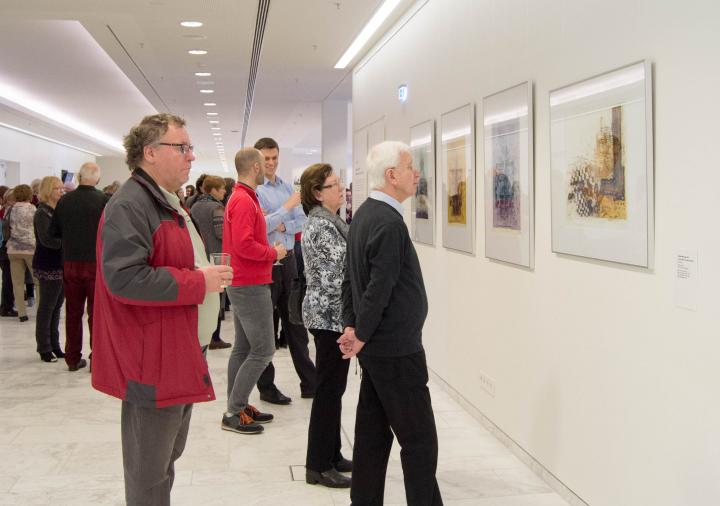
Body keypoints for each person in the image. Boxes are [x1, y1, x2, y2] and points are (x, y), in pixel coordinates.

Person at [92, 113, 231, 506]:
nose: (191, 156)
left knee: (165, 459)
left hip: (176, 349)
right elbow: (124, 278)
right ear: (150, 153)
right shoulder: (131, 205)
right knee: (148, 470)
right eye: (182, 147)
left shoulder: (165, 201)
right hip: (151, 357)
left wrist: (206, 276)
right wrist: (198, 282)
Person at [339, 141, 443, 506]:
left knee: (372, 436)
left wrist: (353, 328)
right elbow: (377, 288)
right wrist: (360, 333)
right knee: (420, 442)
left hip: (379, 349)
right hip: (396, 351)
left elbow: (352, 281)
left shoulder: (366, 215)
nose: (417, 174)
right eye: (411, 166)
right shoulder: (387, 223)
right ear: (391, 175)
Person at [221, 147, 285, 434]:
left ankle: (238, 405)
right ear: (256, 168)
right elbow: (244, 245)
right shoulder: (244, 201)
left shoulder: (244, 197)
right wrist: (273, 253)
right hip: (249, 283)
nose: (269, 167)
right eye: (264, 163)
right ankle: (234, 411)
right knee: (263, 349)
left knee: (244, 347)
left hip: (244, 281)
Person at [300, 164, 352, 488]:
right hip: (329, 318)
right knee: (328, 392)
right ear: (318, 193)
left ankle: (332, 454)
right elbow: (337, 274)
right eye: (334, 185)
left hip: (331, 316)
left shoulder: (331, 223)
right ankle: (317, 466)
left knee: (334, 390)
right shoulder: (321, 226)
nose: (342, 189)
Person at [255, 137, 316, 403]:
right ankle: (267, 388)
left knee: (296, 325)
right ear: (257, 160)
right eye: (266, 158)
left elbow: (300, 221)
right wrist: (285, 211)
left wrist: (280, 222)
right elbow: (260, 225)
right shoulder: (254, 191)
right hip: (266, 263)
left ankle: (310, 382)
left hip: (289, 260)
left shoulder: (286, 187)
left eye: (274, 158)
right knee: (267, 328)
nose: (270, 163)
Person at [51, 162, 107, 371]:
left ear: (80, 177)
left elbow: (54, 232)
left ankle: (72, 358)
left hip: (71, 262)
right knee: (96, 313)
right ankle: (97, 358)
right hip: (95, 262)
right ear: (98, 179)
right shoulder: (103, 200)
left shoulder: (65, 200)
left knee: (73, 312)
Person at [190, 174, 231, 350]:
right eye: (222, 188)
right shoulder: (217, 208)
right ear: (213, 190)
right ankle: (215, 337)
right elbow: (222, 233)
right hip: (217, 256)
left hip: (200, 257)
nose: (224, 191)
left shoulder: (194, 206)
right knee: (217, 299)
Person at [33, 176, 65, 362]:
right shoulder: (42, 213)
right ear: (48, 191)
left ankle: (55, 345)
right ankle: (44, 347)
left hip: (59, 263)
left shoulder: (56, 210)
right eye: (57, 189)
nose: (61, 192)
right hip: (48, 264)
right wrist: (68, 242)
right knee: (47, 307)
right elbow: (47, 240)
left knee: (56, 307)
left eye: (62, 188)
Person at [5, 184, 36, 322]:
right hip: (30, 248)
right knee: (37, 281)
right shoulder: (32, 209)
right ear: (29, 195)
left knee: (17, 282)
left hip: (13, 249)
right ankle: (41, 311)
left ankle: (22, 314)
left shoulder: (10, 209)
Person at [0, 187, 17, 317]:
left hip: (4, 247)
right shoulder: (8, 213)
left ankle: (5, 305)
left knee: (7, 278)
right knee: (8, 278)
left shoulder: (3, 212)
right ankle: (7, 306)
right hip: (6, 248)